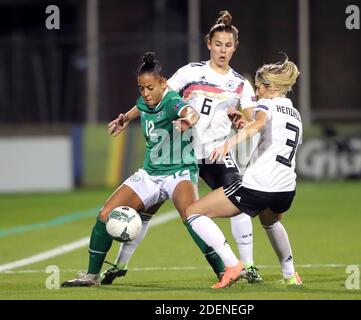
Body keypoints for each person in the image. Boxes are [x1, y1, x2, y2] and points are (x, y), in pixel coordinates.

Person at [99, 11, 265, 284]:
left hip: (214, 154)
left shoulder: (240, 84)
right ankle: (119, 264)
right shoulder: (190, 72)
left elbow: (250, 119)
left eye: (228, 45)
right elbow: (157, 95)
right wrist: (126, 118)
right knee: (145, 213)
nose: (223, 50)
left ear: (235, 47)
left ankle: (248, 266)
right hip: (178, 153)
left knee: (240, 202)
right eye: (218, 44)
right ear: (208, 44)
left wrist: (240, 120)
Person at [61, 52, 200, 287]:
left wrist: (189, 118)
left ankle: (227, 270)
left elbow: (187, 110)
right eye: (141, 88)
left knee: (193, 218)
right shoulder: (143, 102)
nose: (145, 93)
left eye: (149, 87)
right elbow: (138, 107)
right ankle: (91, 276)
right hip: (150, 173)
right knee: (105, 215)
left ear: (163, 82)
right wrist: (125, 118)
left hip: (179, 172)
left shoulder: (171, 101)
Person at [185, 55, 303, 288]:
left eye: (258, 88)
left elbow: (259, 124)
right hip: (286, 189)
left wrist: (227, 144)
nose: (256, 93)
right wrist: (245, 123)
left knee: (193, 213)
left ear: (269, 88)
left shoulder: (266, 104)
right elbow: (268, 132)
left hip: (259, 186)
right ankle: (291, 275)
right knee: (270, 222)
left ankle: (232, 264)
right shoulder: (295, 114)